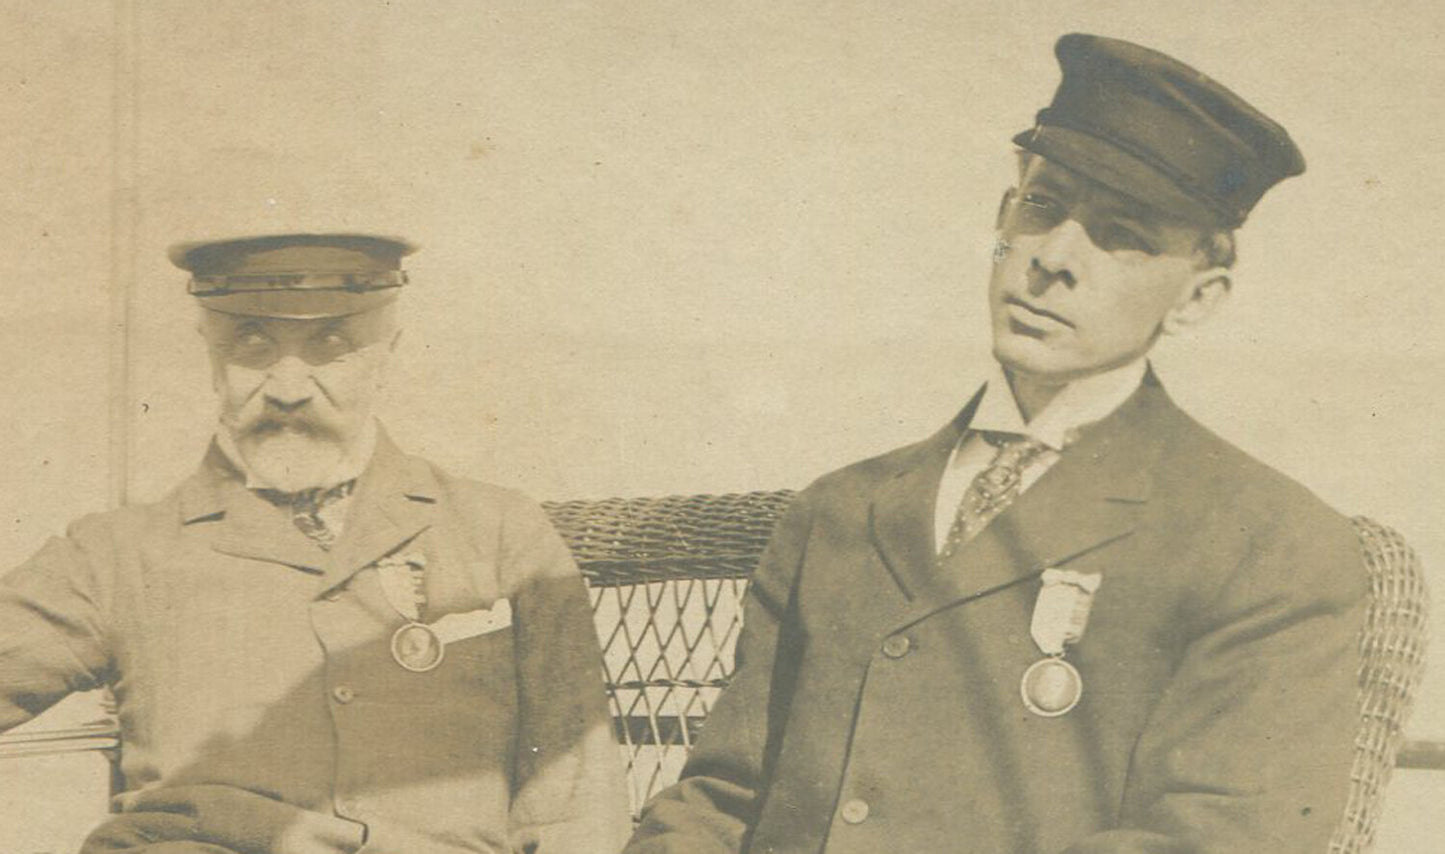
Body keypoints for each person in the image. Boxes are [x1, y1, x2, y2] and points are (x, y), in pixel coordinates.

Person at [624, 34, 1369, 854]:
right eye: (1041, 207)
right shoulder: (836, 511)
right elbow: (720, 798)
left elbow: (1211, 839)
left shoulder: (1268, 546)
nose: (1053, 259)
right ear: (1001, 218)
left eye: (1121, 233)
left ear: (1197, 299)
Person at [0, 234, 631, 853]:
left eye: (331, 345)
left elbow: (576, 795)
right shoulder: (117, 555)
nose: (288, 388)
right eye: (252, 343)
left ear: (388, 355)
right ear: (211, 356)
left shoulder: (498, 531)